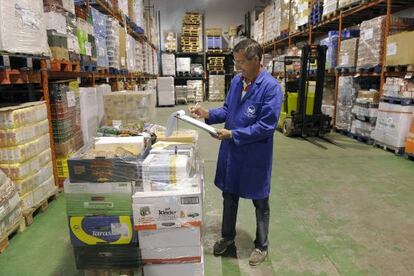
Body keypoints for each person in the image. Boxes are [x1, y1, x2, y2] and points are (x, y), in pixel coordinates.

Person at [190, 38, 283, 266]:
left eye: (241, 62)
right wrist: (206, 113)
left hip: (254, 156)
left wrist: (233, 134)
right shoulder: (236, 82)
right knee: (229, 196)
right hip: (232, 153)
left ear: (256, 61)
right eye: (236, 61)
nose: (237, 66)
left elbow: (266, 127)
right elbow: (227, 110)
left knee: (260, 201)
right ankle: (227, 237)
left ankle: (261, 245)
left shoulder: (270, 88)